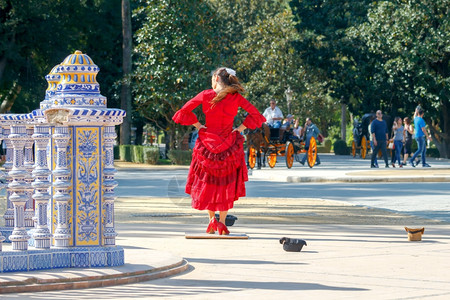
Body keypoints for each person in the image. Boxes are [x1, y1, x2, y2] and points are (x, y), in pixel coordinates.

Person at [172, 67, 265, 235]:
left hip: (207, 144)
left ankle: (211, 220)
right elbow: (256, 115)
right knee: (226, 184)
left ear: (215, 78)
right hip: (229, 145)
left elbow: (183, 111)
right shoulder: (235, 97)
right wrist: (240, 129)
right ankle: (222, 222)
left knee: (207, 183)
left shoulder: (206, 95)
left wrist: (199, 125)